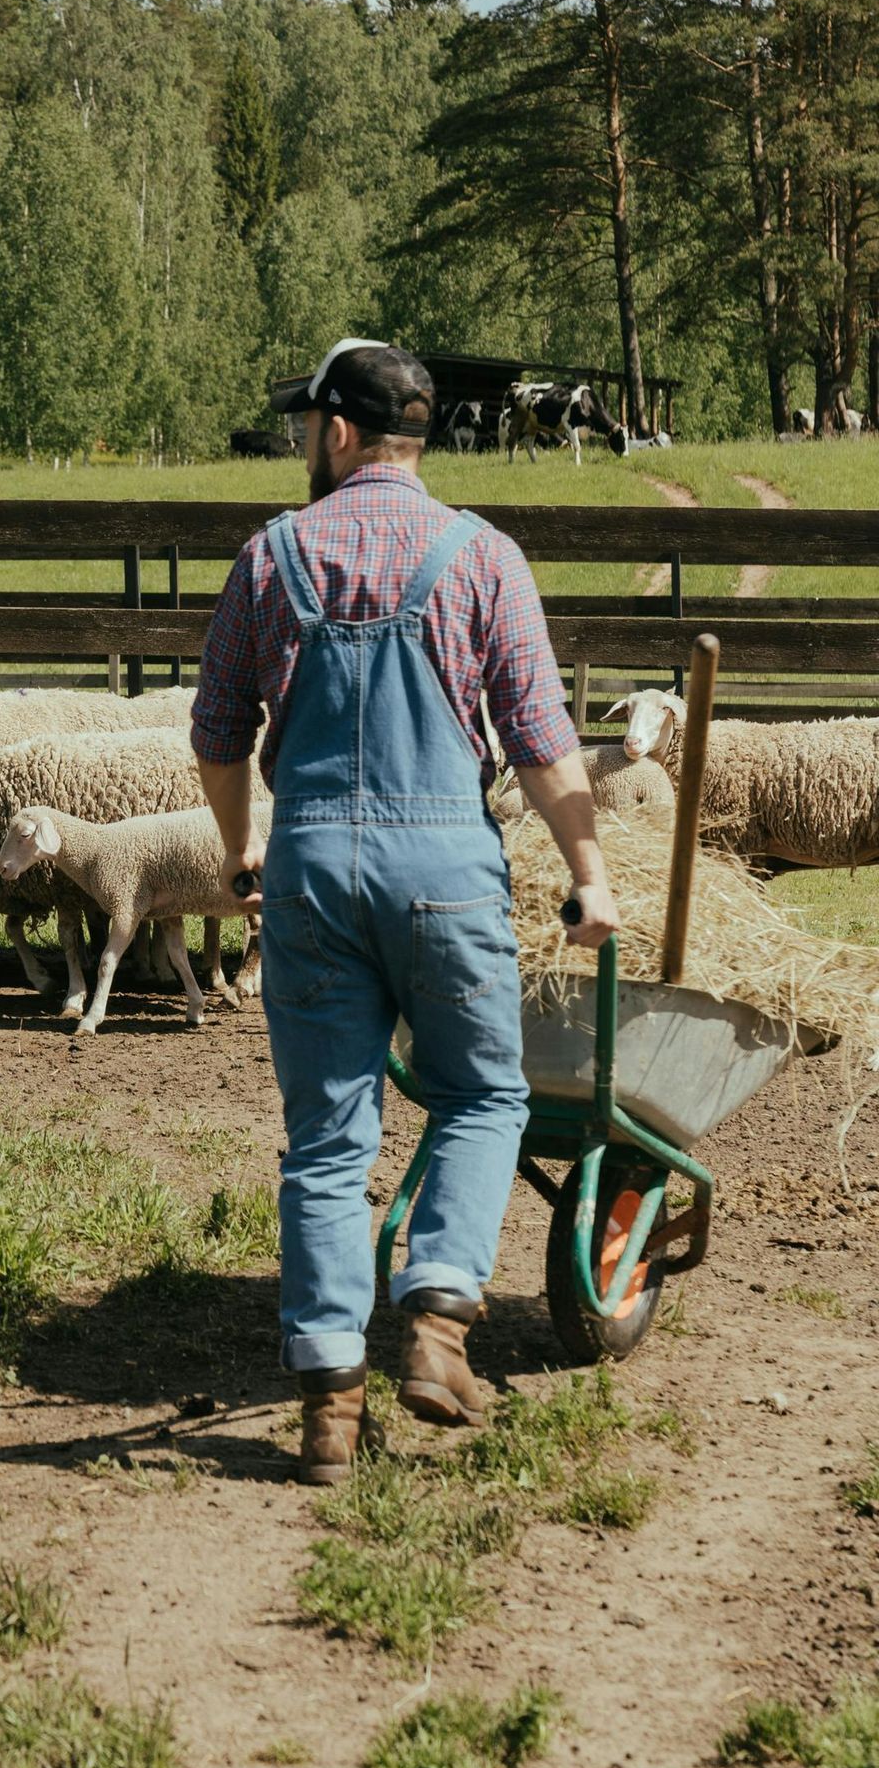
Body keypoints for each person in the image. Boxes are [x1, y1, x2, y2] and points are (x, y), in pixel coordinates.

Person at [191, 339, 617, 1486]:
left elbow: (217, 732)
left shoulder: (272, 555)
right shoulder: (483, 556)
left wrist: (244, 849)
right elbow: (541, 741)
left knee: (329, 1138)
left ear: (337, 433)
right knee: (484, 1094)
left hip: (314, 867)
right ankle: (435, 1324)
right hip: (446, 870)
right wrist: (592, 875)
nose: (300, 448)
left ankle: (330, 1407)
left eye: (304, 431)